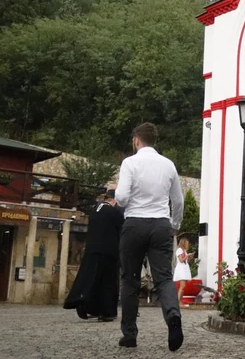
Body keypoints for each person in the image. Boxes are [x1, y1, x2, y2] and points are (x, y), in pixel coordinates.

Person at [115, 123, 184, 351]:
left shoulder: (130, 163)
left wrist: (119, 195)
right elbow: (178, 201)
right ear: (155, 140)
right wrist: (174, 224)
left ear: (136, 140)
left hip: (135, 223)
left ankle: (130, 334)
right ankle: (173, 317)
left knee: (130, 279)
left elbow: (122, 197)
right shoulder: (168, 165)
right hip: (161, 224)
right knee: (163, 278)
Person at [63, 190, 124, 321]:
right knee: (107, 282)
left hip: (91, 249)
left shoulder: (95, 210)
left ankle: (85, 304)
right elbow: (122, 230)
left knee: (90, 278)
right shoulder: (114, 212)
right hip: (109, 251)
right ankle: (106, 312)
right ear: (114, 200)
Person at [173, 237, 194, 306]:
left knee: (183, 287)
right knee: (182, 286)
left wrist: (189, 257)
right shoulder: (179, 250)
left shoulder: (184, 251)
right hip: (181, 269)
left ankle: (180, 302)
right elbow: (181, 260)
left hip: (185, 268)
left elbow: (186, 261)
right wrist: (187, 255)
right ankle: (177, 302)